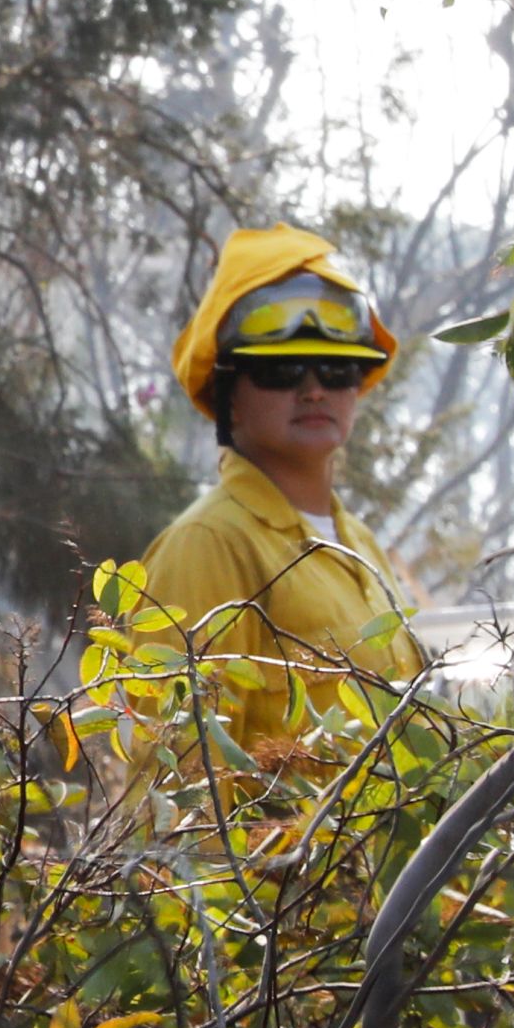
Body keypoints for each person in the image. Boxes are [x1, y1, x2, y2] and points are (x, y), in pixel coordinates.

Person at [137, 224, 424, 752]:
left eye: (336, 368)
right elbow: (179, 793)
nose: (313, 389)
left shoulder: (358, 544)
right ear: (230, 396)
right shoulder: (209, 546)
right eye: (281, 369)